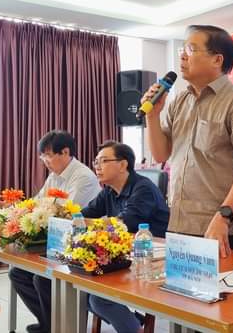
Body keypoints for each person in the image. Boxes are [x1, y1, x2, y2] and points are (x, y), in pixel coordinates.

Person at [142, 25, 233, 257]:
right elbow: (161, 154)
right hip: (180, 223)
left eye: (191, 49)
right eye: (182, 50)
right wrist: (152, 116)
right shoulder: (179, 101)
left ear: (217, 60)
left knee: (223, 282)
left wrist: (223, 216)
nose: (182, 56)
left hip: (219, 228)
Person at [9, 130, 101, 333]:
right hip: (58, 241)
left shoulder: (83, 177)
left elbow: (65, 213)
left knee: (41, 278)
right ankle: (49, 324)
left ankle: (54, 326)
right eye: (42, 156)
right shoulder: (54, 176)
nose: (45, 160)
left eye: (48, 155)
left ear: (65, 152)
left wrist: (38, 212)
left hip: (80, 246)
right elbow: (37, 203)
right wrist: (16, 211)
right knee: (17, 273)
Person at [82, 140, 169, 333]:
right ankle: (133, 321)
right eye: (96, 162)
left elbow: (124, 223)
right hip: (124, 258)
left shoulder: (143, 188)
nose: (97, 167)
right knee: (80, 288)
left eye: (103, 161)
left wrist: (89, 223)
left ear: (123, 165)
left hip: (152, 262)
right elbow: (83, 215)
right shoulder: (109, 191)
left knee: (99, 298)